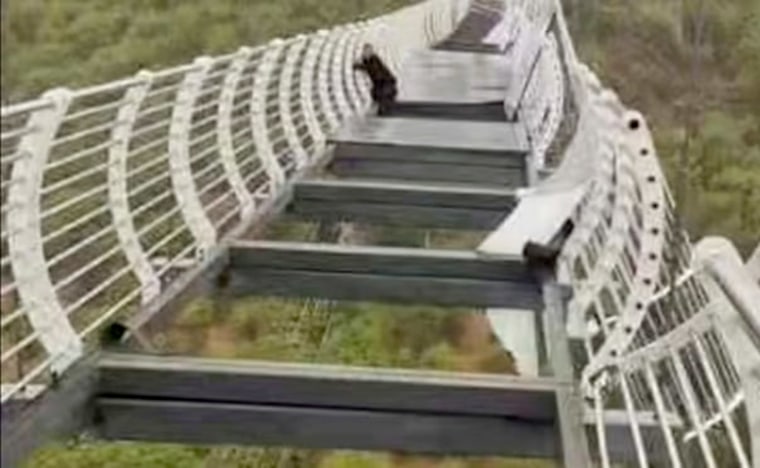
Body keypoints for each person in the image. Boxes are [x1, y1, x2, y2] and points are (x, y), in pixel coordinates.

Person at [353, 44, 397, 116]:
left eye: (368, 52)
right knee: (375, 94)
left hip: (387, 85)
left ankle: (383, 108)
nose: (366, 54)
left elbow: (374, 71)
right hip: (382, 85)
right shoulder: (367, 60)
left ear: (371, 52)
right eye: (365, 52)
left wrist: (359, 66)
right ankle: (381, 108)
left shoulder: (374, 60)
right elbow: (367, 67)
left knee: (380, 97)